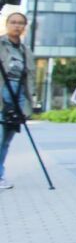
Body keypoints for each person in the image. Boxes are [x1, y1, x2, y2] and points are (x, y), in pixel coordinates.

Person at [0, 13, 36, 190]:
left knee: (6, 140)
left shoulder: (25, 50)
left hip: (18, 96)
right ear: (6, 24)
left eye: (21, 23)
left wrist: (30, 100)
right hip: (2, 95)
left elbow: (29, 77)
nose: (17, 26)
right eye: (13, 22)